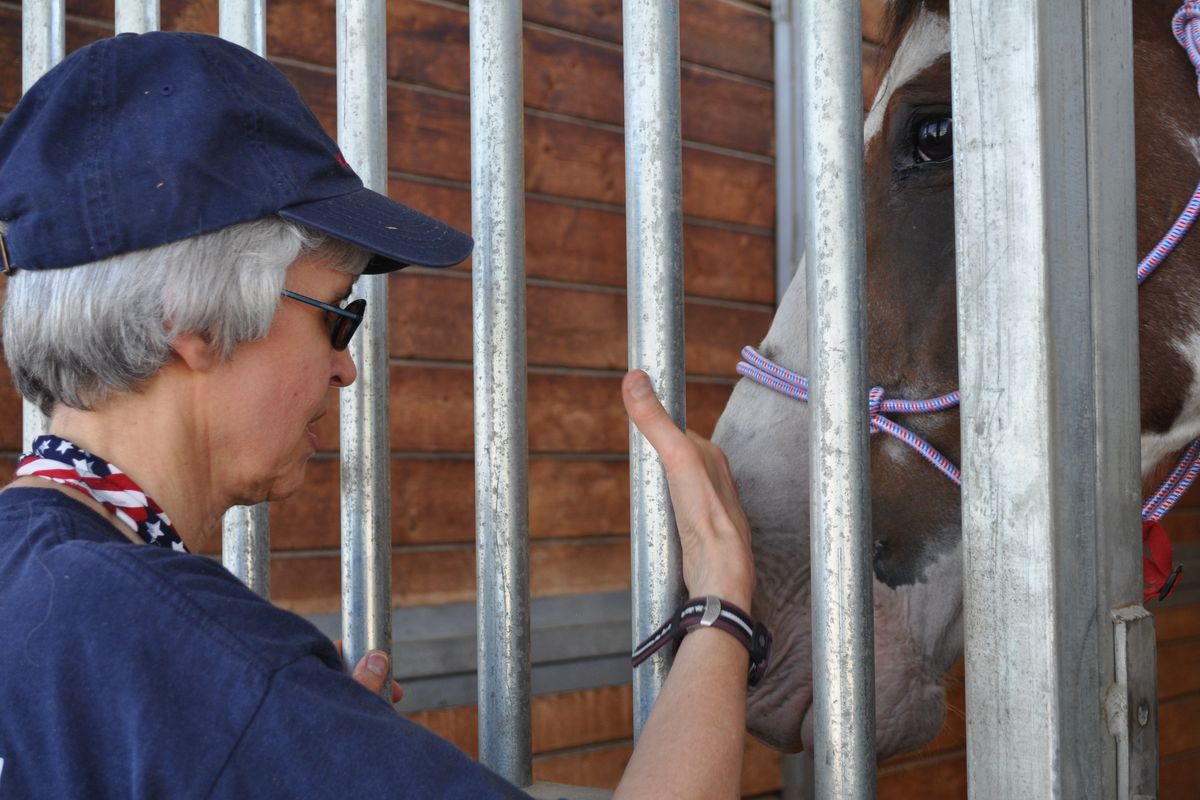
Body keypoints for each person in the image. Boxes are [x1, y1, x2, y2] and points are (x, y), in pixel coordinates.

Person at [0, 31, 760, 799]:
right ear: (189, 325)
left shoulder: (37, 581)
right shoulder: (195, 663)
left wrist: (291, 748)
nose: (345, 365)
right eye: (334, 315)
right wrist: (722, 604)